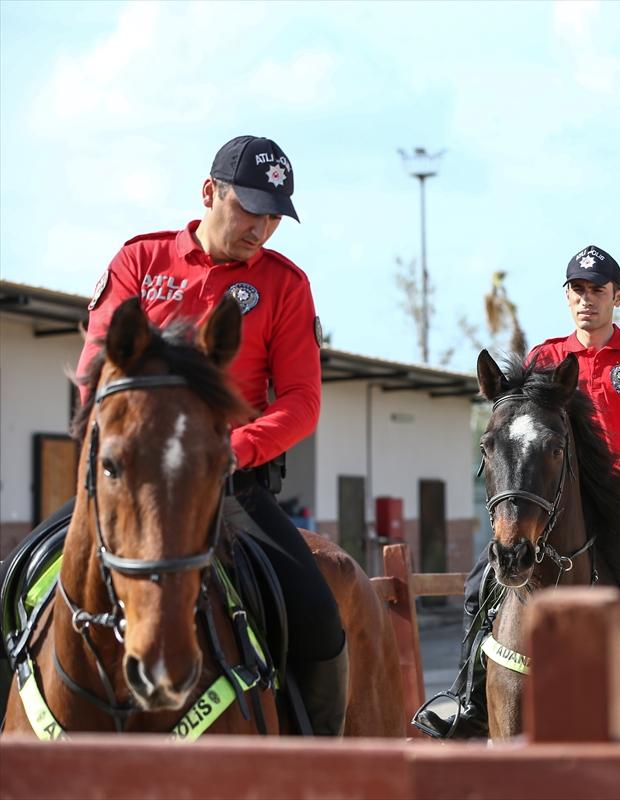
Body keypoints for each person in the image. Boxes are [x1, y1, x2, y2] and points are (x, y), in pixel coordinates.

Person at [72, 136, 348, 733]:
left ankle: (317, 761)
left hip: (233, 488)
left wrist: (232, 451)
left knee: (319, 619)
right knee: (14, 590)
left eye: (274, 216)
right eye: (250, 208)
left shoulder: (286, 284)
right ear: (209, 192)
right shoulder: (140, 261)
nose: (261, 228)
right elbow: (95, 372)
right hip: (126, 487)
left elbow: (302, 401)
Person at [415, 245, 620, 741]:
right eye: (578, 290)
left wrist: (615, 482)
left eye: (597, 290)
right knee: (480, 583)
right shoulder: (546, 357)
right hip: (550, 504)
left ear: (616, 297)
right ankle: (469, 701)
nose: (587, 299)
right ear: (567, 296)